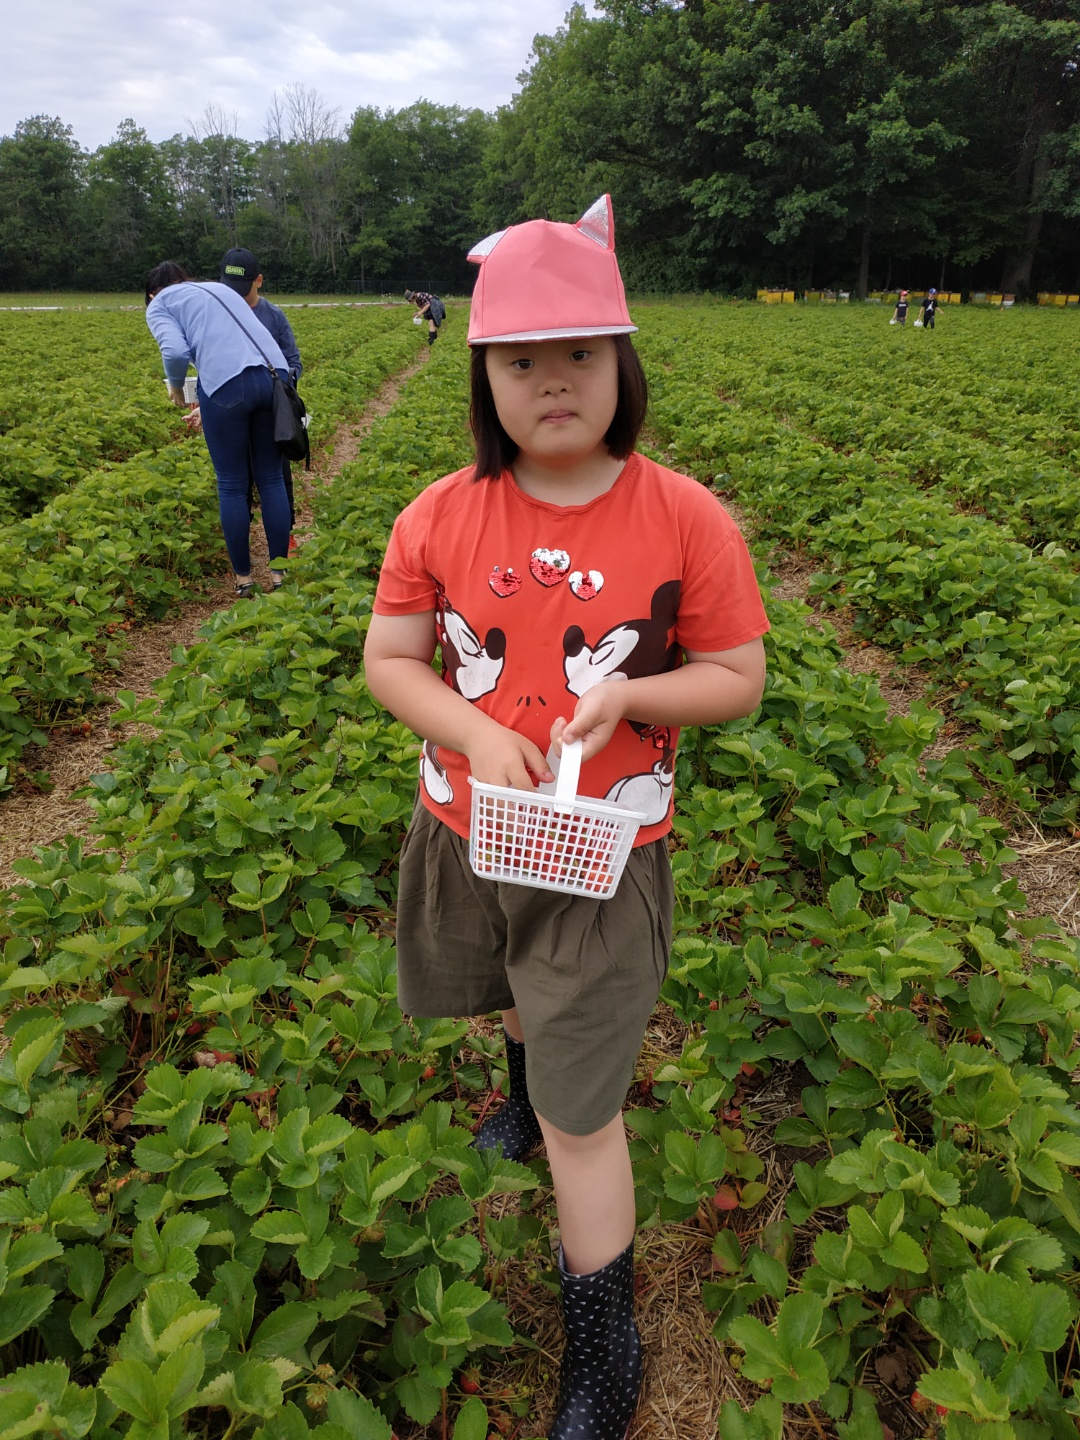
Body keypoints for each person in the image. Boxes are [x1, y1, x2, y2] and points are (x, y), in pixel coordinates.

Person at [364, 196, 769, 1437]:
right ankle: (519, 1089)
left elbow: (738, 678)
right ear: (483, 378)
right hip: (469, 830)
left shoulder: (683, 514)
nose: (552, 382)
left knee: (584, 1120)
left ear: (622, 364)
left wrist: (635, 693)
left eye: (580, 353)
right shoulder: (439, 513)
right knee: (504, 985)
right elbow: (392, 660)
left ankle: (602, 1345)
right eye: (520, 361)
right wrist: (475, 731)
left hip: (604, 854)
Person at [144, 261, 292, 598]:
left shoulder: (160, 304)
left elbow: (175, 351)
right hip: (274, 378)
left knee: (232, 483)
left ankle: (244, 579)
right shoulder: (218, 289)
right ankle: (280, 575)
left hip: (228, 385)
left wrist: (177, 388)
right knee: (271, 479)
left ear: (151, 294)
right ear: (187, 279)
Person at [218, 247, 304, 542]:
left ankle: (286, 536)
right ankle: (241, 540)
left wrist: (280, 386)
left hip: (269, 409)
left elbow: (294, 362)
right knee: (237, 481)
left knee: (278, 476)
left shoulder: (274, 316)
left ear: (259, 280)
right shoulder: (219, 315)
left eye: (243, 287)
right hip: (234, 411)